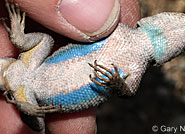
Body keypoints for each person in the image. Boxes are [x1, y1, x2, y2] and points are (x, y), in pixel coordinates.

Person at [0, 0, 140, 133]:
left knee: (36, 117)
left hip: (26, 87)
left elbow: (38, 125)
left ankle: (25, 106)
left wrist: (24, 106)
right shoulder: (126, 33)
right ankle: (20, 39)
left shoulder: (23, 93)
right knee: (47, 41)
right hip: (28, 73)